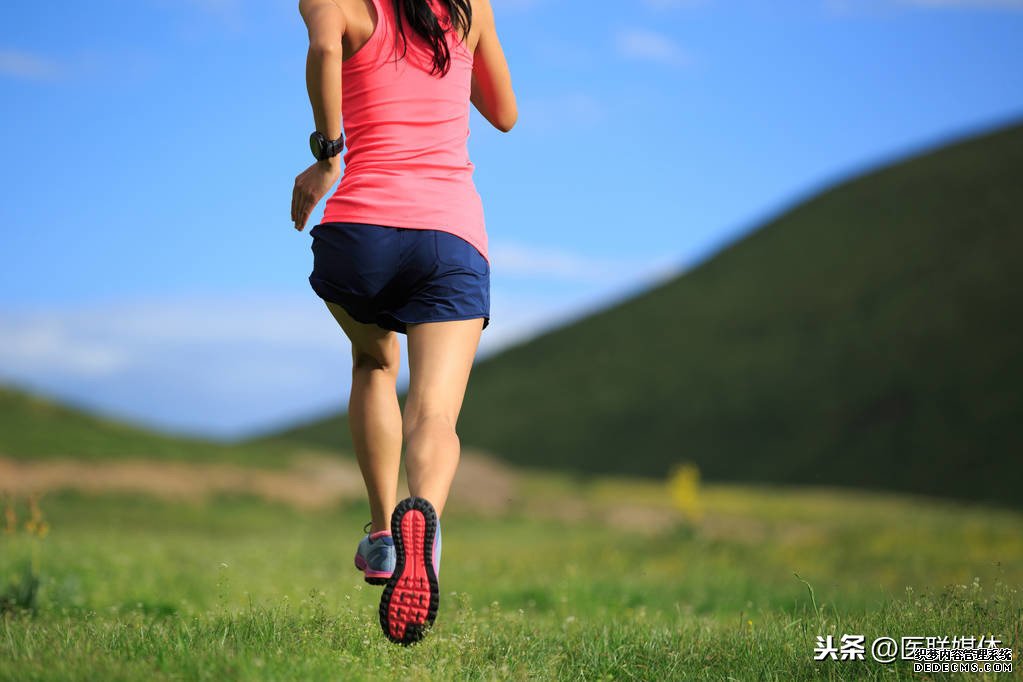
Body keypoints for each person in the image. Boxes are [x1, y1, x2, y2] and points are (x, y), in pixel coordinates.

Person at [291, 0, 516, 646]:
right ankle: (427, 521)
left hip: (360, 229)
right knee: (434, 417)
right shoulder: (469, 7)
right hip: (450, 234)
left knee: (373, 361)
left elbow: (326, 50)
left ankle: (382, 533)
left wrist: (328, 154)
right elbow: (504, 114)